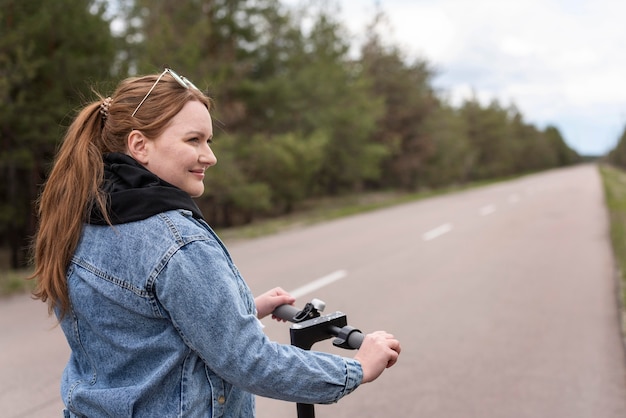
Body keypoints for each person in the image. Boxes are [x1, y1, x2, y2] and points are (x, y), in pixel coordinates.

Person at [31, 68, 401, 417]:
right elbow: (249, 361)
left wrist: (238, 310)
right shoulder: (177, 242)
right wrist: (355, 368)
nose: (210, 156)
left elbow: (132, 330)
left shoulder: (81, 218)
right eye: (194, 140)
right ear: (139, 145)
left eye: (208, 140)